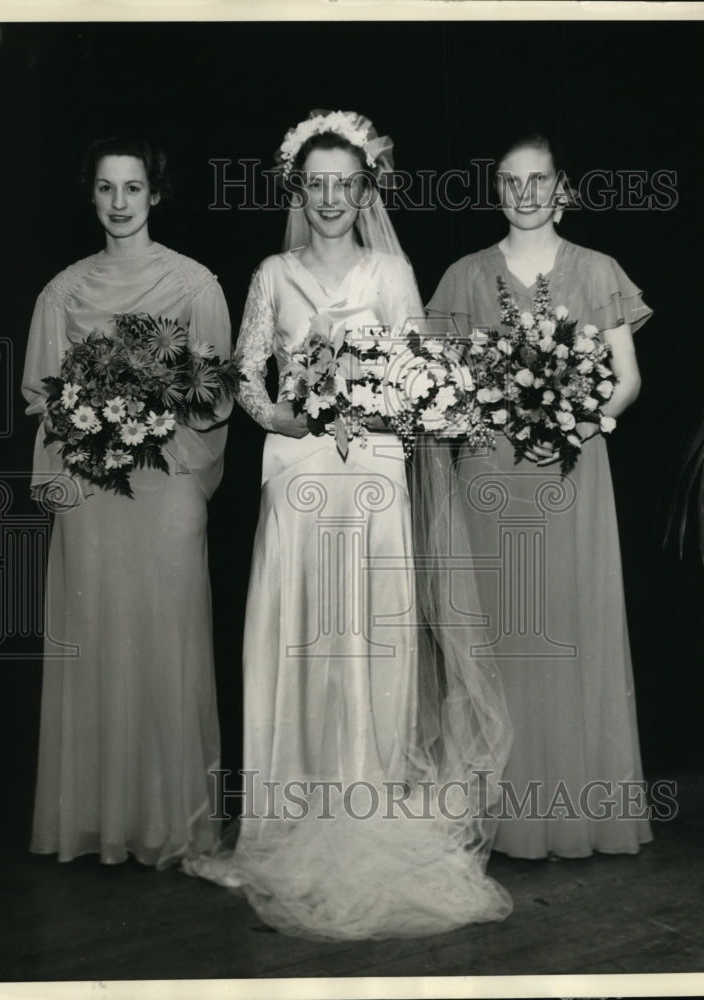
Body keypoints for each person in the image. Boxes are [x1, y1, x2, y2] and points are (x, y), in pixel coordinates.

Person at [182, 110, 513, 941]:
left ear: (366, 191)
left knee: (370, 636)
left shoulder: (391, 274)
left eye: (345, 184)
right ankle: (287, 816)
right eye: (316, 184)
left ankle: (370, 798)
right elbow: (246, 376)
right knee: (298, 635)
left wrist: (379, 404)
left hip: (370, 472)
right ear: (300, 189)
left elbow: (414, 375)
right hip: (297, 473)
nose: (330, 198)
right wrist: (283, 418)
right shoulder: (271, 273)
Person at [426, 132, 653, 859]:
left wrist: (588, 419)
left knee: (569, 626)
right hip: (488, 477)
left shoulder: (596, 270)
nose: (524, 193)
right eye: (508, 180)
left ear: (562, 187)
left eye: (537, 179)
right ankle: (499, 814)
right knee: (503, 634)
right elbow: (439, 385)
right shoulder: (463, 276)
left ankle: (578, 810)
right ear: (495, 189)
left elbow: (627, 376)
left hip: (570, 469)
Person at [23, 137, 232, 869]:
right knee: (100, 639)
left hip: (166, 484)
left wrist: (154, 411)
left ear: (154, 194)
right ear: (92, 196)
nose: (119, 204)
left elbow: (214, 397)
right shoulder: (63, 291)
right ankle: (99, 823)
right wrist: (94, 420)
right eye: (107, 189)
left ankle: (172, 824)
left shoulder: (195, 285)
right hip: (93, 493)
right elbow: (43, 398)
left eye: (133, 189)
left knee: (167, 643)